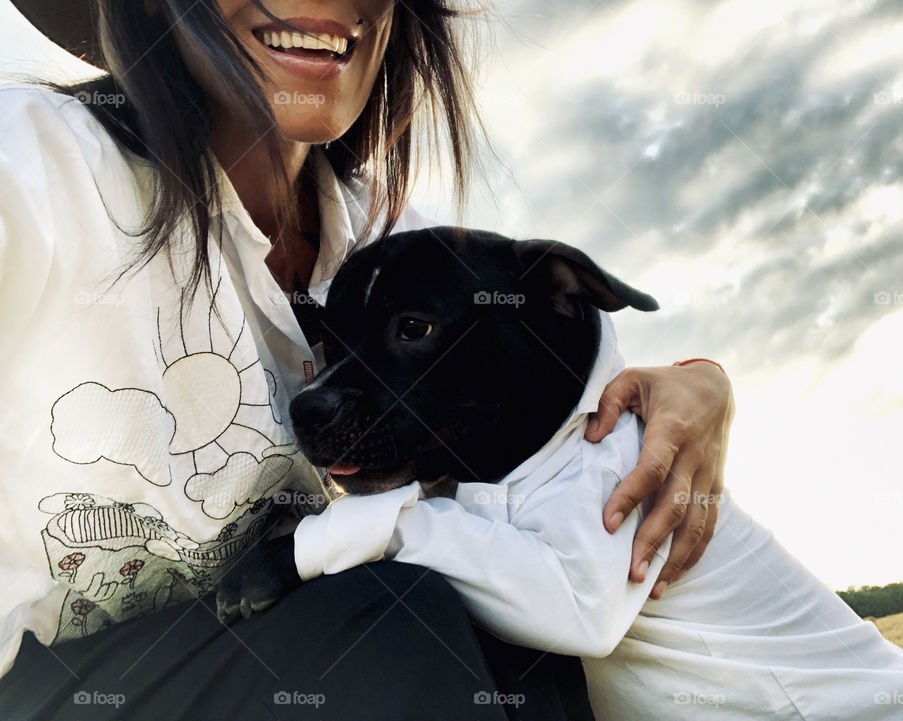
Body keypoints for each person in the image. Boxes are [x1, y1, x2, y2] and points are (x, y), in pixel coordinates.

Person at [0, 1, 734, 719]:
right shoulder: (33, 165)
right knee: (395, 613)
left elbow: (539, 397)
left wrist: (697, 383)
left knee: (501, 612)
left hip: (291, 655)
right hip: (48, 684)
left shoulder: (390, 244)